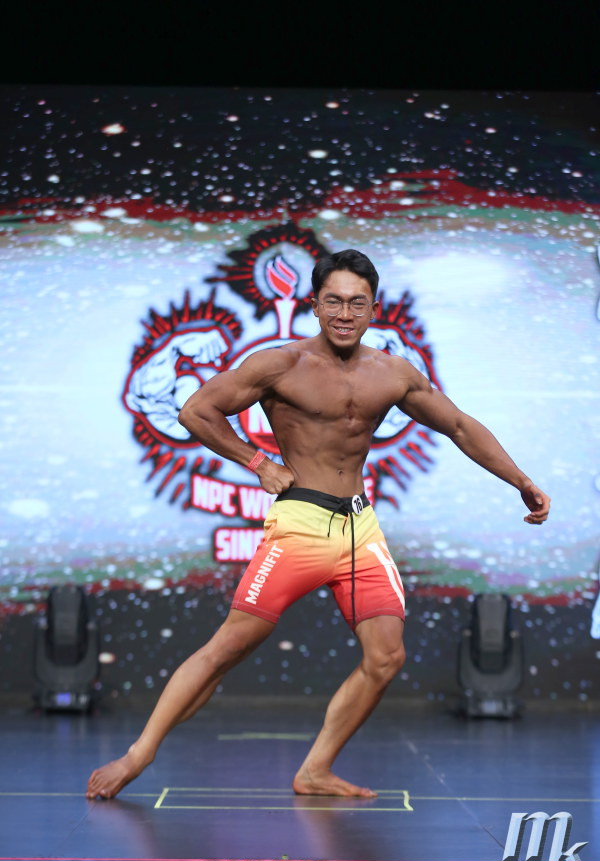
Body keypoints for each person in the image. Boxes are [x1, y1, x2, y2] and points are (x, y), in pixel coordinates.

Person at [87, 249, 550, 800]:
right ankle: (138, 755)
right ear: (314, 304)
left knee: (387, 657)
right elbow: (195, 411)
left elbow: (460, 426)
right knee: (228, 648)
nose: (344, 313)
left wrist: (520, 481)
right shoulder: (280, 364)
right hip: (300, 525)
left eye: (356, 302)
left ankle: (315, 770)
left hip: (359, 530)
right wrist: (258, 462)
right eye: (333, 301)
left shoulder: (393, 373)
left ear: (374, 308)